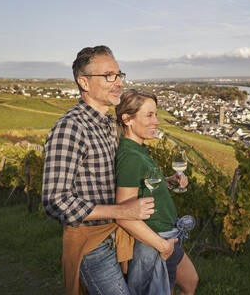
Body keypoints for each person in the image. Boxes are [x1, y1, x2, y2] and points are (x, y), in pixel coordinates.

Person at [42, 45, 161, 295]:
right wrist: (121, 210)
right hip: (91, 243)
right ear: (84, 82)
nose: (118, 82)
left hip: (119, 235)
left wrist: (165, 181)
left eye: (119, 75)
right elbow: (55, 201)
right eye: (108, 76)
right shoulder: (71, 128)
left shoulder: (109, 124)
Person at [115, 89, 199, 295]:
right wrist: (162, 246)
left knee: (190, 282)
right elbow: (123, 215)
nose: (157, 121)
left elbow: (142, 188)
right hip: (155, 240)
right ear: (127, 119)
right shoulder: (131, 157)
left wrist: (166, 182)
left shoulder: (139, 150)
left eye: (156, 114)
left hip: (168, 234)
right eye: (149, 115)